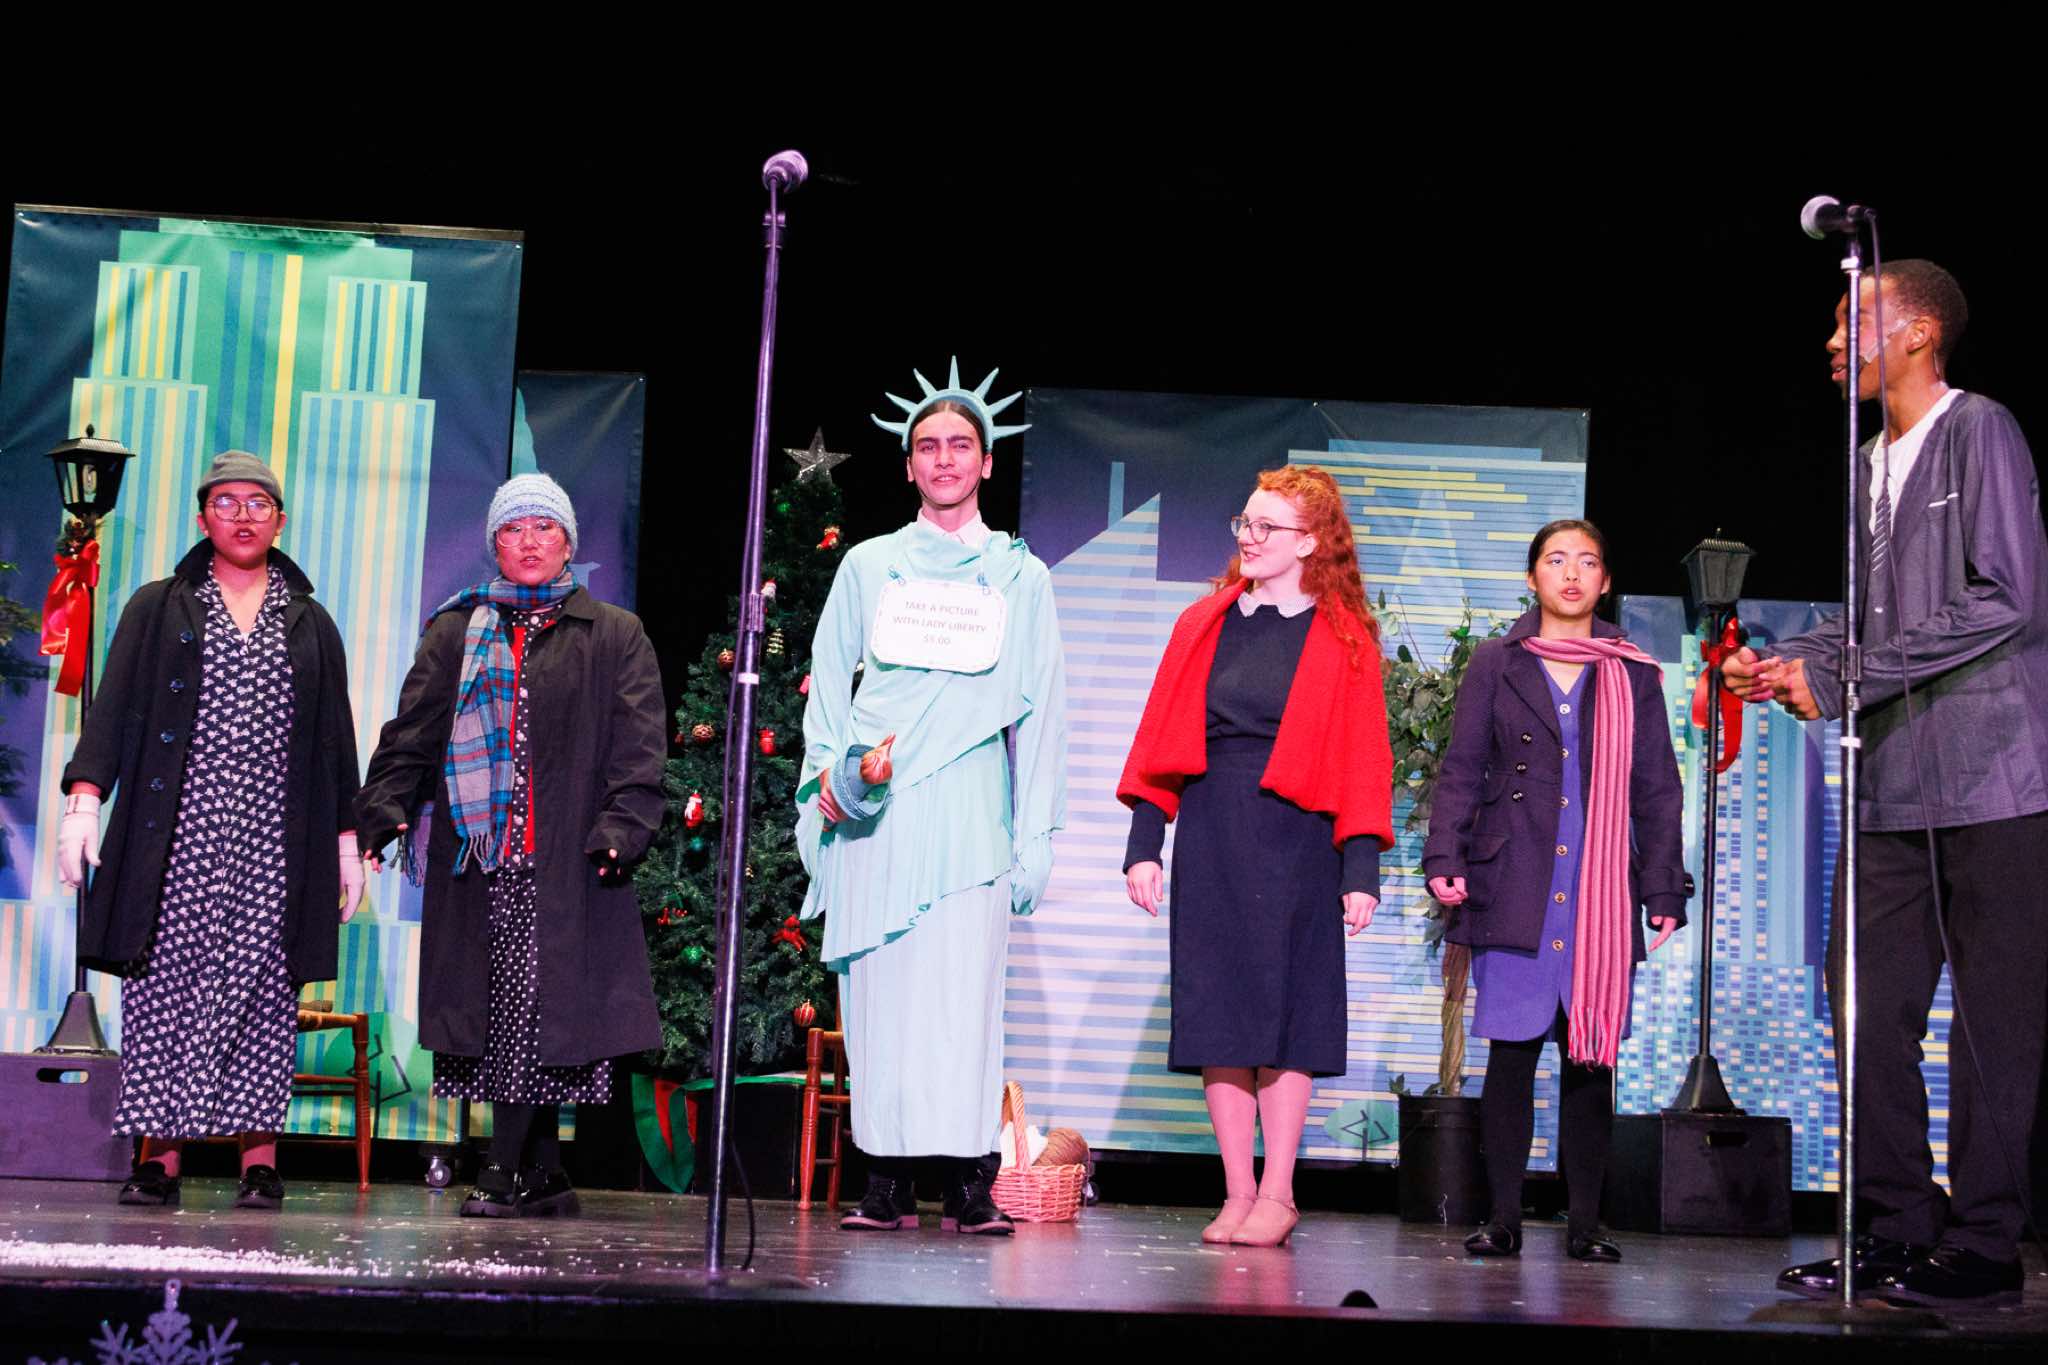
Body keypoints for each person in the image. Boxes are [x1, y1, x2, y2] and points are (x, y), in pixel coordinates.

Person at [1728, 261, 2048, 1307]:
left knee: (1991, 1023)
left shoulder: (1977, 429)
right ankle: (1896, 1226)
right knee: (1863, 1007)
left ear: (1916, 333)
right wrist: (1792, 663)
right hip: (1889, 784)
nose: (1831, 342)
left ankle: (1986, 1242)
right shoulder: (1869, 458)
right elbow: (1866, 622)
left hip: (1993, 780)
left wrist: (1845, 676)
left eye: (1850, 321)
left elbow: (2003, 596)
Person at [797, 359, 1067, 1235]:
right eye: (928, 446)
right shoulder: (870, 566)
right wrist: (829, 783)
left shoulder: (1021, 577)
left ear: (986, 461)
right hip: (881, 814)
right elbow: (828, 688)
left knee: (963, 1001)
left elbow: (1044, 713)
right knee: (880, 999)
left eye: (959, 445)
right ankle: (883, 1178)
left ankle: (966, 1179)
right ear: (909, 463)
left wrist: (1034, 837)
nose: (944, 458)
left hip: (969, 814)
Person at [57, 449, 362, 1210]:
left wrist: (346, 840)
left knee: (262, 992)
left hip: (272, 838)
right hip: (178, 831)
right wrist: (84, 801)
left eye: (259, 503)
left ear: (280, 519)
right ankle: (158, 1159)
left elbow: (334, 739)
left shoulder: (310, 621)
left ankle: (258, 1161)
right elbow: (113, 710)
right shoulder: (160, 606)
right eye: (227, 502)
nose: (243, 516)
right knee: (164, 987)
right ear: (203, 518)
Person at [356, 473, 666, 1218]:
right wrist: (384, 808)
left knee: (535, 1015)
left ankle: (502, 1168)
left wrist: (622, 828)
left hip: (566, 863)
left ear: (568, 542)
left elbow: (639, 747)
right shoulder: (456, 630)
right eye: (513, 529)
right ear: (495, 543)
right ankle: (544, 1172)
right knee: (499, 1018)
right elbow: (412, 734)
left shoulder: (613, 633)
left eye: (544, 527)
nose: (529, 541)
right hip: (477, 861)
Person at [1118, 466, 1394, 1248]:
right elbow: (1163, 736)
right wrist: (1145, 845)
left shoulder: (1343, 637)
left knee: (1289, 1015)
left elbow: (1363, 757)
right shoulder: (1203, 622)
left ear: (1309, 542)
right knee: (1220, 1013)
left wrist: (1360, 869)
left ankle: (1280, 1191)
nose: (1249, 535)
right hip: (1213, 830)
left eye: (1267, 525)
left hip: (1299, 837)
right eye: (1245, 520)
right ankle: (1238, 1189)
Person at [1422, 519, 1688, 1262]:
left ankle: (1586, 1223)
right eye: (1556, 560)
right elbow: (1461, 767)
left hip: (1598, 893)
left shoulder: (1632, 673)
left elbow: (1657, 789)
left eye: (1588, 562)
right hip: (1515, 880)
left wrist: (1663, 888)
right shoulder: (1496, 662)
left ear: (1606, 581)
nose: (1572, 574)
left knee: (1589, 1060)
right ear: (1533, 576)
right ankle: (1502, 1217)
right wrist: (1445, 855)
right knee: (1510, 1057)